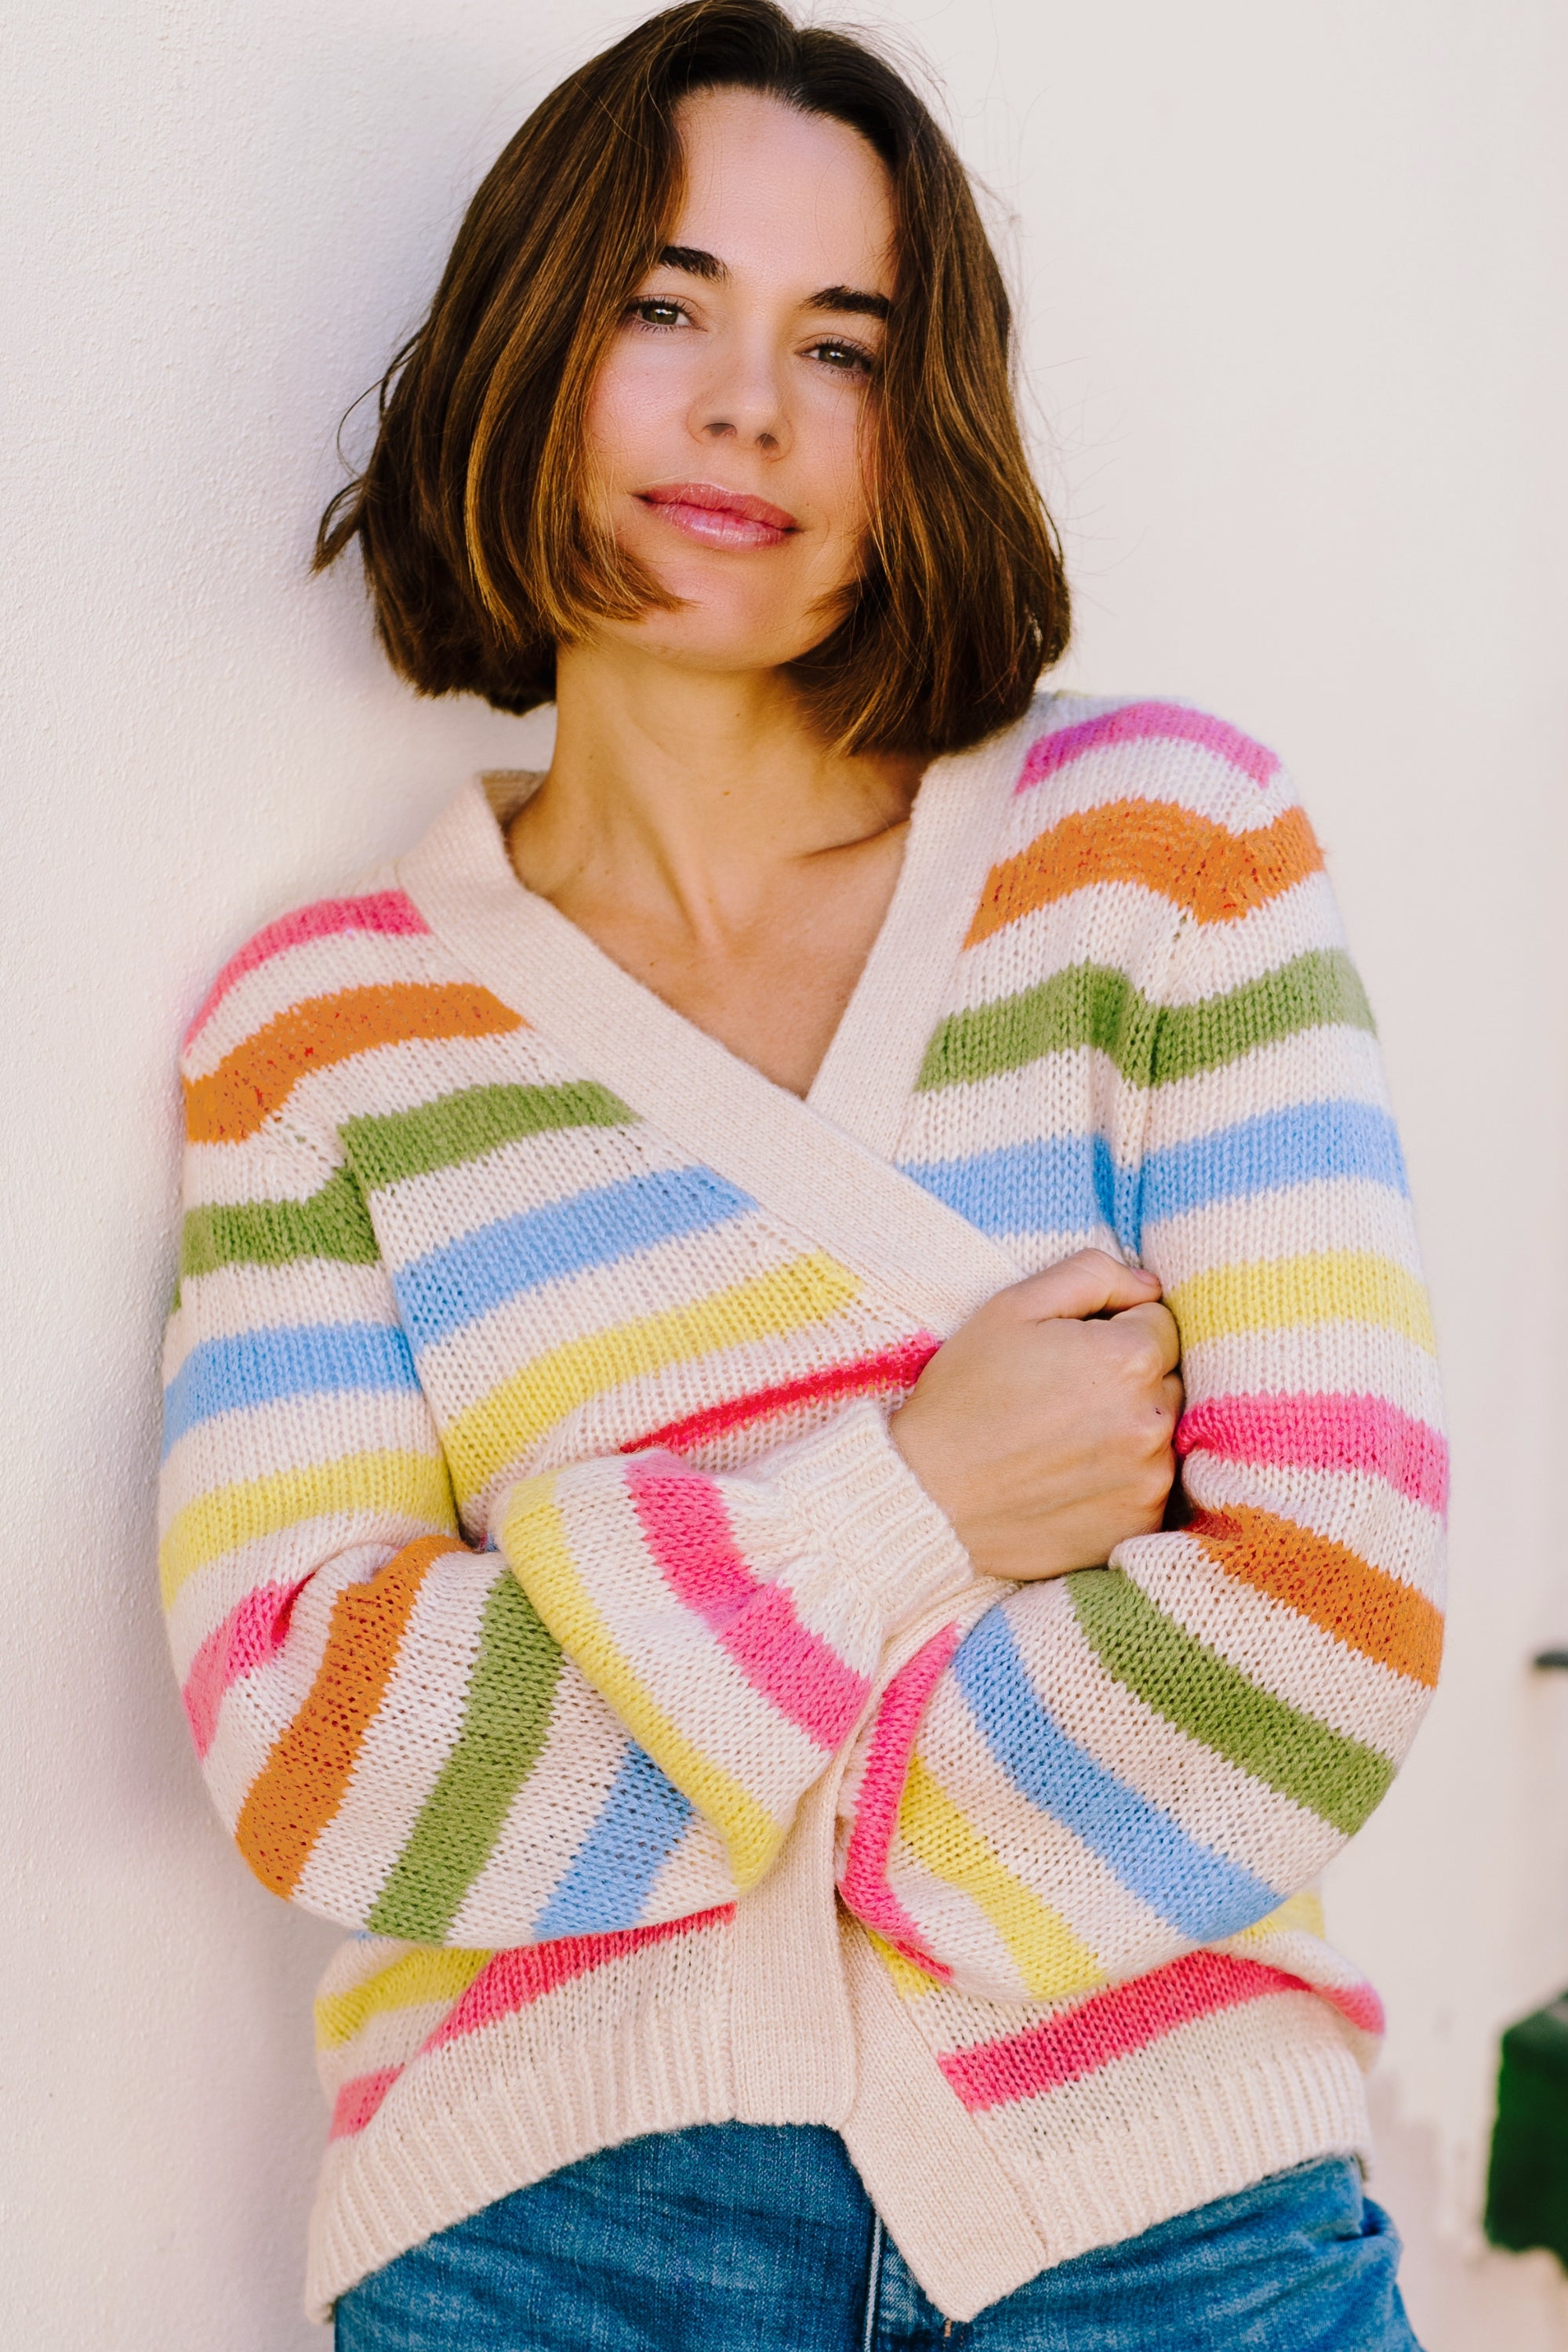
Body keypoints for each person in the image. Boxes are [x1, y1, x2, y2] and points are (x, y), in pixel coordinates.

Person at [157, 3, 1445, 2343]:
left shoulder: (1165, 858)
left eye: (841, 345)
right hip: (549, 2243)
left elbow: (1327, 1615)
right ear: (528, 345)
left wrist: (643, 1636)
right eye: (666, 307)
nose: (748, 407)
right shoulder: (325, 1033)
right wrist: (911, 1504)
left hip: (1177, 2224)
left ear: (914, 424)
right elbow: (317, 1743)